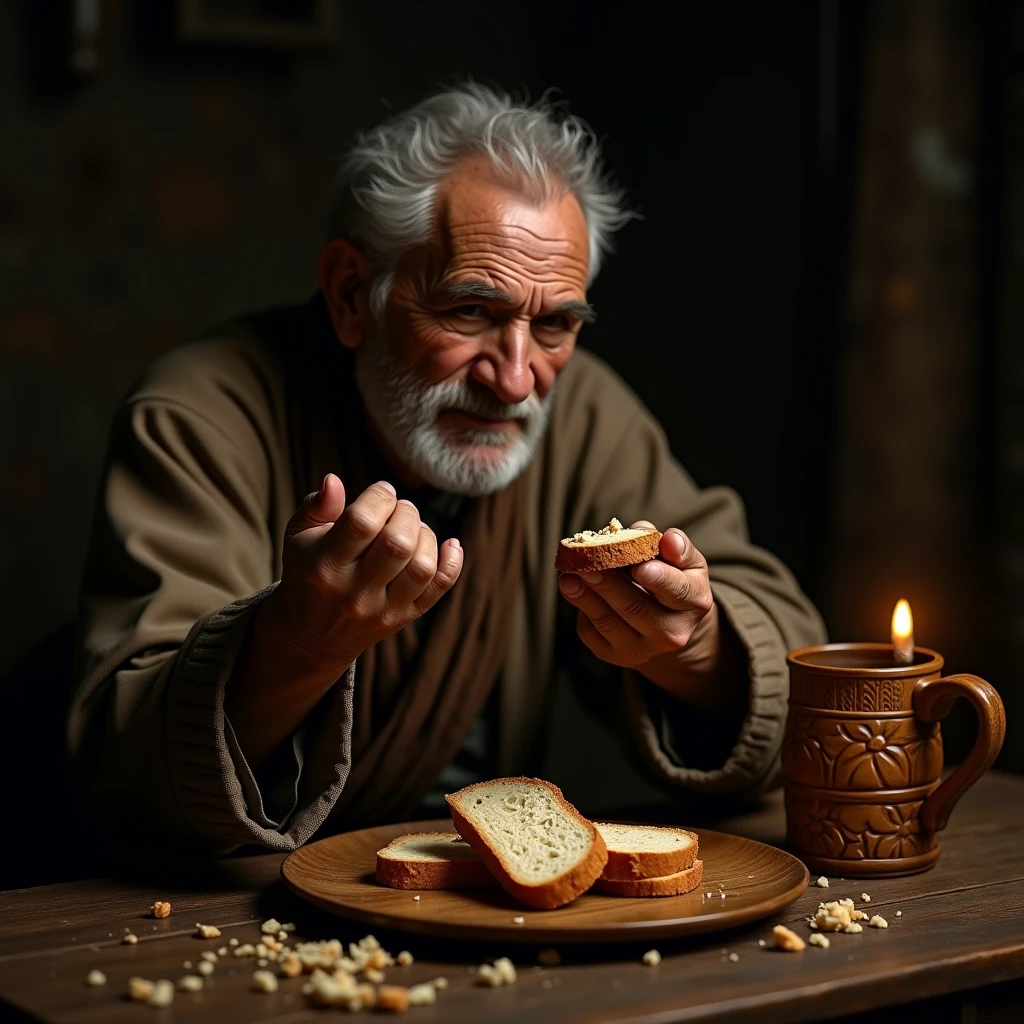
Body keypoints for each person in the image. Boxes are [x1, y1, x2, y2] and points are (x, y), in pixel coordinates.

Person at [71, 84, 826, 856]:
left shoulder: (587, 414)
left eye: (557, 325)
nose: (516, 378)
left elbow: (801, 678)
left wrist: (693, 648)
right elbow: (125, 769)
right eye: (470, 312)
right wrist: (297, 645)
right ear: (349, 295)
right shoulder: (200, 412)